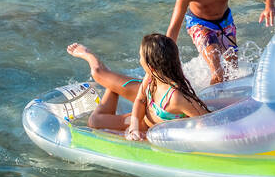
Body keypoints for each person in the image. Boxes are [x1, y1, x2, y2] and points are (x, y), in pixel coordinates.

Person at [65, 35, 209, 140]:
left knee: (94, 122)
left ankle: (113, 85)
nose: (139, 59)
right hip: (144, 114)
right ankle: (89, 55)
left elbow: (206, 120)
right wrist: (133, 127)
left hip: (147, 124)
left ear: (151, 67)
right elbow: (140, 100)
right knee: (97, 73)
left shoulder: (176, 97)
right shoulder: (150, 77)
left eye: (140, 57)